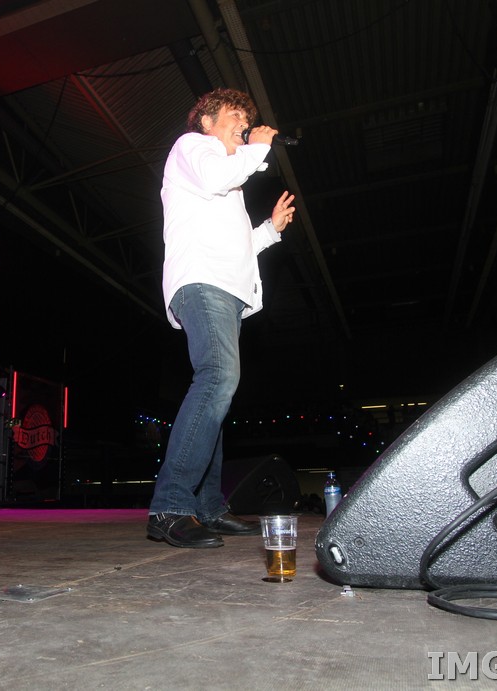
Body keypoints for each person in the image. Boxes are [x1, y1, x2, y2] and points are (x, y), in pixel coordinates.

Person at [147, 87, 296, 548]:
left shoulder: (229, 186)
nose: (244, 125)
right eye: (235, 116)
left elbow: (239, 247)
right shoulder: (194, 147)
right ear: (207, 121)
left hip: (226, 289)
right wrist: (258, 147)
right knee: (217, 378)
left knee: (218, 392)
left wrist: (270, 229)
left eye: (247, 121)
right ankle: (170, 505)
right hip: (203, 283)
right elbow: (216, 177)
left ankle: (208, 506)